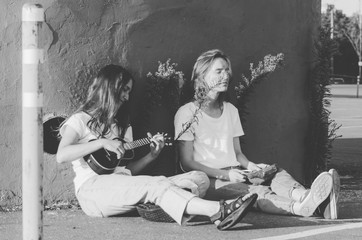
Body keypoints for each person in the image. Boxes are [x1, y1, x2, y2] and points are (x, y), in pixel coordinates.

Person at [56, 64, 258, 231]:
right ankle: (220, 211)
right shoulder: (80, 120)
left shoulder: (122, 127)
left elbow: (126, 172)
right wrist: (102, 142)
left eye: (129, 91)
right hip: (93, 190)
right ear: (109, 87)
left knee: (199, 178)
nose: (127, 97)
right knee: (157, 184)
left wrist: (151, 156)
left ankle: (159, 203)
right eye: (124, 90)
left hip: (122, 185)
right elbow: (61, 155)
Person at [174, 49, 340, 219]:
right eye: (219, 71)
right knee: (256, 192)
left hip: (237, 173)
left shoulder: (230, 110)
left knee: (275, 172)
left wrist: (251, 166)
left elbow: (237, 154)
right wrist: (225, 175)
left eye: (227, 70)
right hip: (210, 181)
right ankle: (302, 208)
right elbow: (187, 163)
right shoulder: (187, 113)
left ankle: (306, 198)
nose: (226, 75)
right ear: (202, 75)